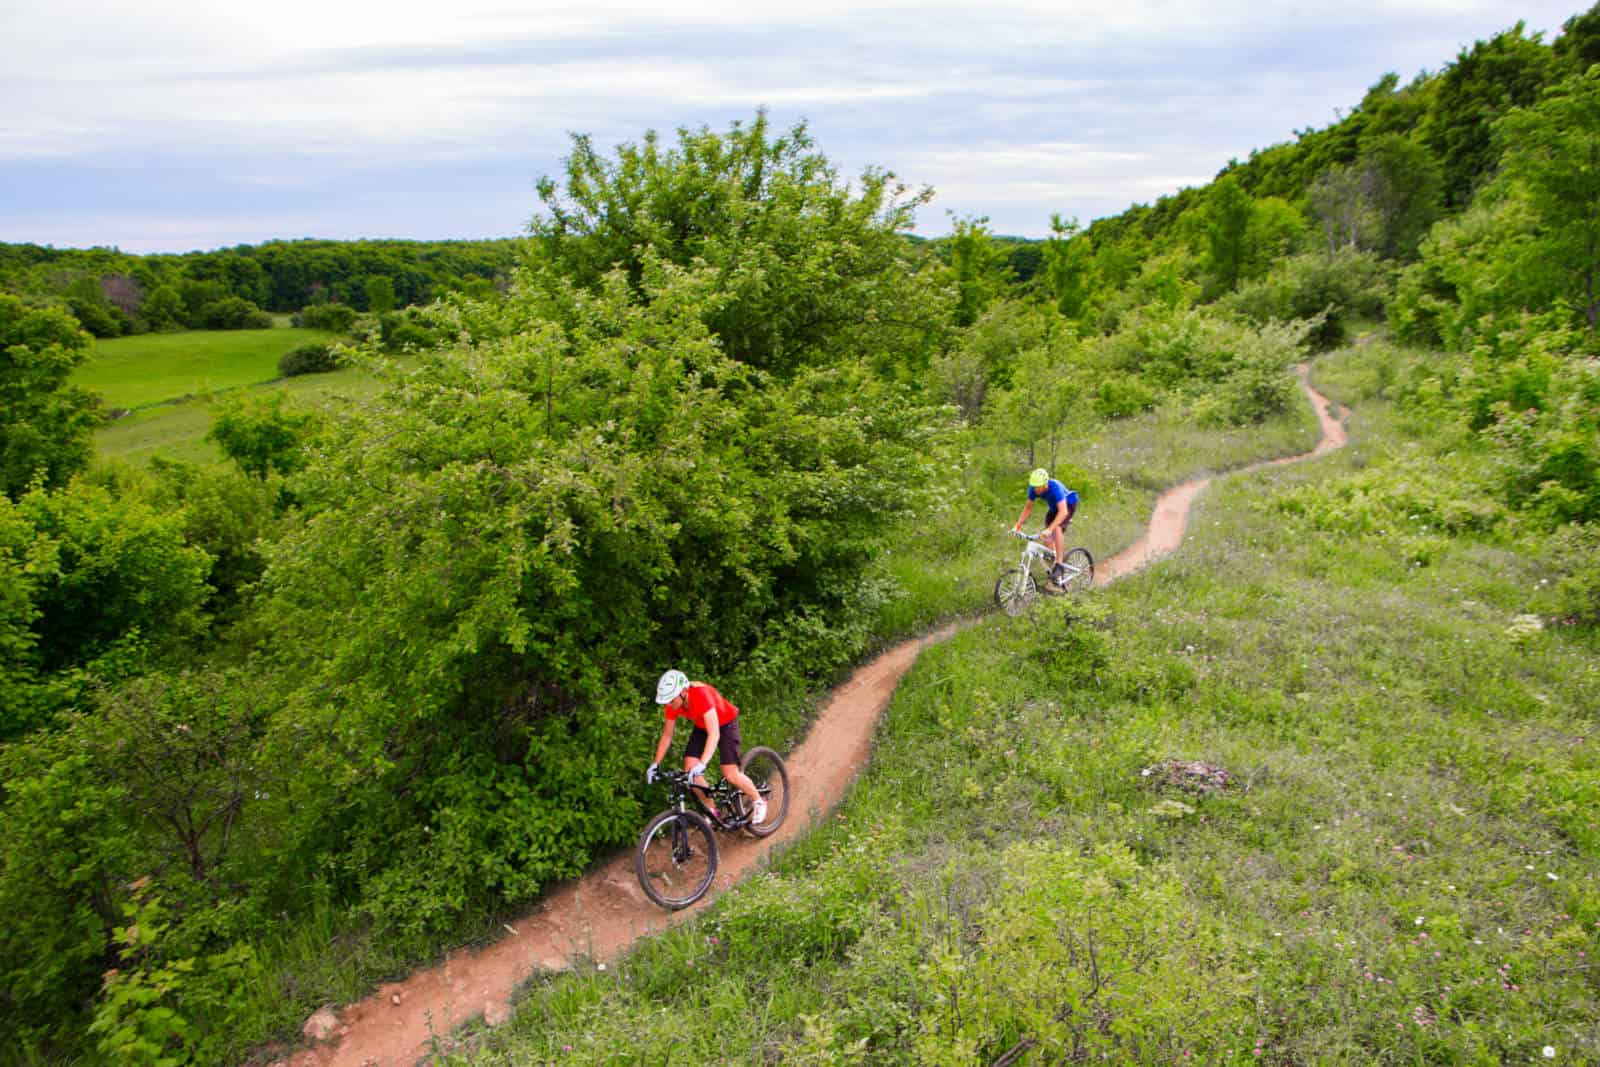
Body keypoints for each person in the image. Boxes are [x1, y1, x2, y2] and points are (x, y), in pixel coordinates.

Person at [646, 670, 766, 826]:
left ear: (683, 692)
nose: (668, 704)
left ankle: (758, 801)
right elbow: (667, 735)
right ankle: (712, 811)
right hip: (702, 725)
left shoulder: (701, 695)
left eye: (670, 700)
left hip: (726, 723)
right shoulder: (673, 703)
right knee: (690, 769)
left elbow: (714, 733)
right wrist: (655, 763)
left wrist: (702, 763)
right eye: (666, 701)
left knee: (730, 773)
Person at [1012, 467, 1079, 586]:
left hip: (1068, 504)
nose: (1036, 489)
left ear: (1045, 484)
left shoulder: (1055, 487)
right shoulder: (1033, 489)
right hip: (1054, 508)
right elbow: (1028, 508)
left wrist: (1050, 529)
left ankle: (1059, 564)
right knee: (1047, 538)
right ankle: (1054, 566)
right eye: (1034, 486)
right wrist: (1018, 525)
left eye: (1038, 487)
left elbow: (1063, 512)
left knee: (1056, 528)